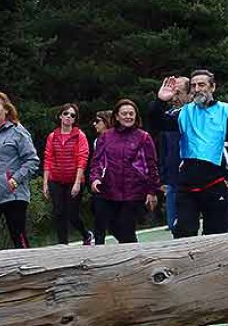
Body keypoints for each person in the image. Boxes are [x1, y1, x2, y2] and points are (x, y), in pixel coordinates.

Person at [150, 70, 228, 238]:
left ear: (213, 87)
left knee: (217, 237)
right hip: (188, 185)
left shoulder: (227, 111)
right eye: (193, 85)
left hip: (217, 183)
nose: (197, 89)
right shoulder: (184, 112)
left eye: (201, 84)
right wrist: (160, 100)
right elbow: (157, 122)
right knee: (183, 234)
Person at [0, 92, 40, 253]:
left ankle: (29, 270)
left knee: (18, 237)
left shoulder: (18, 132)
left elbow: (32, 161)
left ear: (6, 109)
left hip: (13, 194)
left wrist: (16, 179)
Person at [89, 99, 160, 244]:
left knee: (127, 229)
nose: (128, 117)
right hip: (109, 190)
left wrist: (152, 191)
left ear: (136, 116)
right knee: (112, 227)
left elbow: (151, 166)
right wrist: (95, 178)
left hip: (134, 193)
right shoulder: (106, 136)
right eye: (124, 113)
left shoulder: (143, 137)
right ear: (116, 116)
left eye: (131, 113)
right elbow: (98, 161)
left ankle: (135, 260)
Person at [43, 103, 93, 246]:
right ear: (60, 116)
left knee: (72, 214)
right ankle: (63, 245)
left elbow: (82, 159)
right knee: (59, 212)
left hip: (74, 179)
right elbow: (48, 159)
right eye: (66, 114)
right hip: (56, 179)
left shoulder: (80, 136)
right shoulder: (52, 136)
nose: (68, 117)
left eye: (72, 115)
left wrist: (77, 182)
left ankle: (86, 234)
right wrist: (45, 182)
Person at [157, 77, 191, 231]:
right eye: (172, 93)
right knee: (174, 226)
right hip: (173, 179)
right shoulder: (169, 117)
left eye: (178, 93)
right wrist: (163, 178)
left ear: (190, 95)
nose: (174, 98)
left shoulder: (199, 115)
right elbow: (163, 151)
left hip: (196, 178)